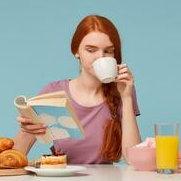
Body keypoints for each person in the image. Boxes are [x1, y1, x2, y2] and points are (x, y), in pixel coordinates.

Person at [13, 14, 141, 164]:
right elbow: (14, 158)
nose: (100, 57)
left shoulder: (123, 91)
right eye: (91, 50)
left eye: (108, 51)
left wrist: (126, 97)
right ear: (76, 51)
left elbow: (134, 160)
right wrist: (26, 130)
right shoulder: (53, 94)